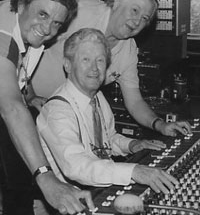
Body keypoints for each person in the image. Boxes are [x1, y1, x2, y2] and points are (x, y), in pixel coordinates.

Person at [32, 0, 191, 137]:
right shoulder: (80, 12)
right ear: (116, 3)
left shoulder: (128, 51)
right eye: (134, 10)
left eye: (144, 18)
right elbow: (25, 36)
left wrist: (160, 125)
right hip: (29, 104)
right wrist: (28, 95)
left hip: (64, 119)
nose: (137, 22)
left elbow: (135, 102)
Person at [37, 27, 179, 195]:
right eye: (85, 60)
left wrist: (132, 145)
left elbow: (107, 139)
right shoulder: (57, 112)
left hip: (102, 188)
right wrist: (134, 171)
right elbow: (76, 166)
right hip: (78, 200)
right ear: (68, 65)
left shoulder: (97, 96)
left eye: (100, 60)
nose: (95, 68)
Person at [0, 0, 94, 215]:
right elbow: (10, 107)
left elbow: (18, 70)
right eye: (43, 14)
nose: (48, 29)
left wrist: (29, 95)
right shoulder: (2, 34)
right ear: (21, 5)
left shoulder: (28, 31)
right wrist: (46, 177)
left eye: (56, 23)